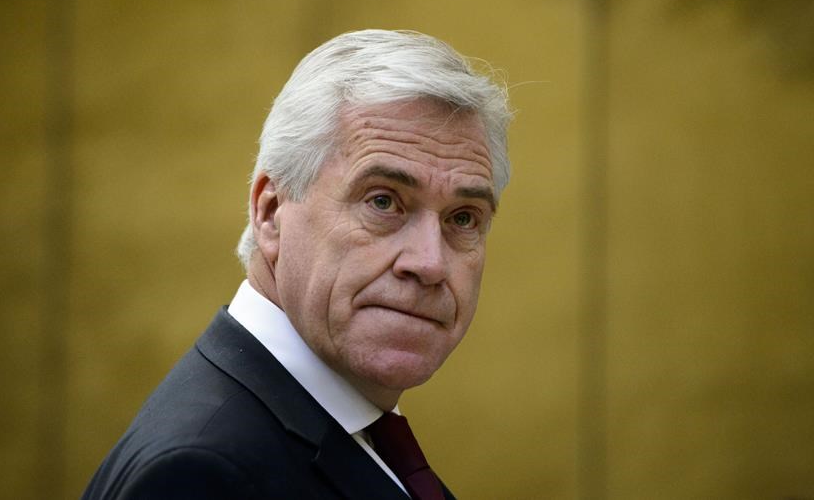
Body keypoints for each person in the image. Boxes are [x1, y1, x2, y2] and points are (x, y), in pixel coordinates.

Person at [81, 29, 512, 499]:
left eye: (463, 218)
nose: (429, 263)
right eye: (383, 202)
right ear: (270, 213)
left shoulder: (353, 432)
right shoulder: (202, 475)